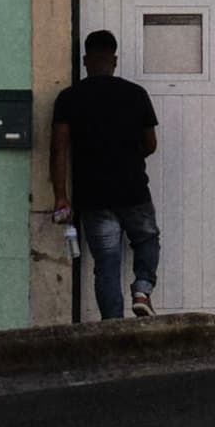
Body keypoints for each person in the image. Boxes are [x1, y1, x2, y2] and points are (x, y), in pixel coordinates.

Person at [49, 28, 162, 322]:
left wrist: (61, 195)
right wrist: (130, 157)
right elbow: (151, 144)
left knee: (107, 264)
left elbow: (59, 150)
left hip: (93, 197)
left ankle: (113, 329)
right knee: (147, 239)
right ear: (114, 60)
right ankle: (142, 289)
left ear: (86, 61)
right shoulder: (135, 94)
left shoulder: (69, 98)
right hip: (134, 190)